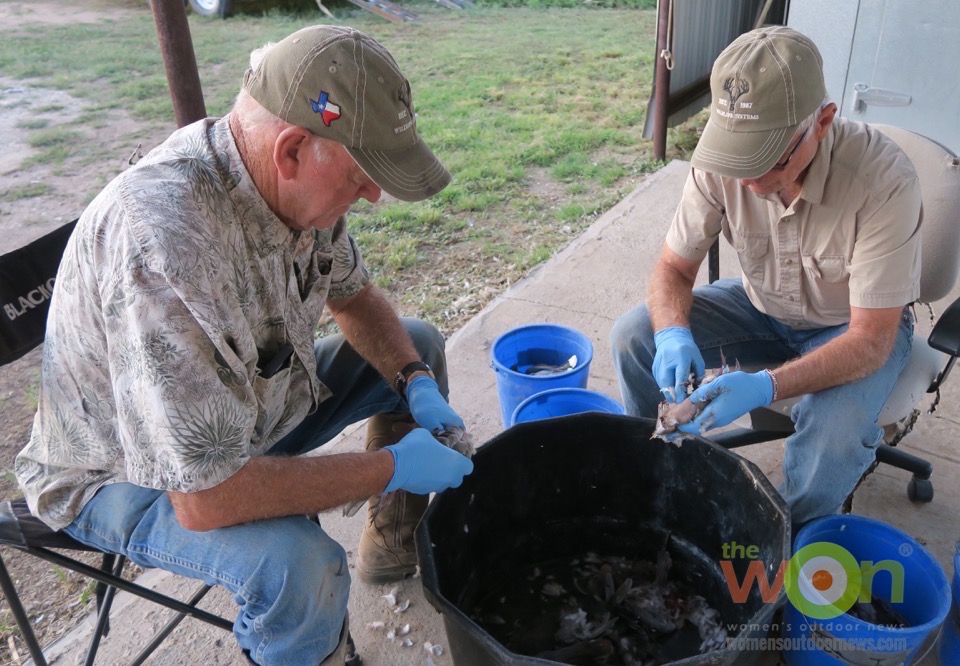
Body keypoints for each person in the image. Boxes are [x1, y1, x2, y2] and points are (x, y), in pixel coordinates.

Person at [15, 25, 474, 665]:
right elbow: (205, 498)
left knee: (415, 343)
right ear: (291, 151)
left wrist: (414, 380)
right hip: (119, 472)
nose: (374, 194)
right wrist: (392, 466)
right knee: (301, 569)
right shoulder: (163, 248)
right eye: (364, 174)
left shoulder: (290, 183)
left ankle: (390, 542)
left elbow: (354, 297)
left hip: (250, 405)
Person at [611, 27, 921, 531]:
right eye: (737, 154)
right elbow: (673, 268)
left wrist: (767, 386)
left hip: (850, 325)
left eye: (769, 157)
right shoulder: (720, 167)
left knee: (835, 433)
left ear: (822, 122)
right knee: (633, 336)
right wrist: (671, 332)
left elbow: (871, 340)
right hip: (760, 305)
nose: (749, 179)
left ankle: (780, 537)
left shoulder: (884, 181)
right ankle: (662, 476)